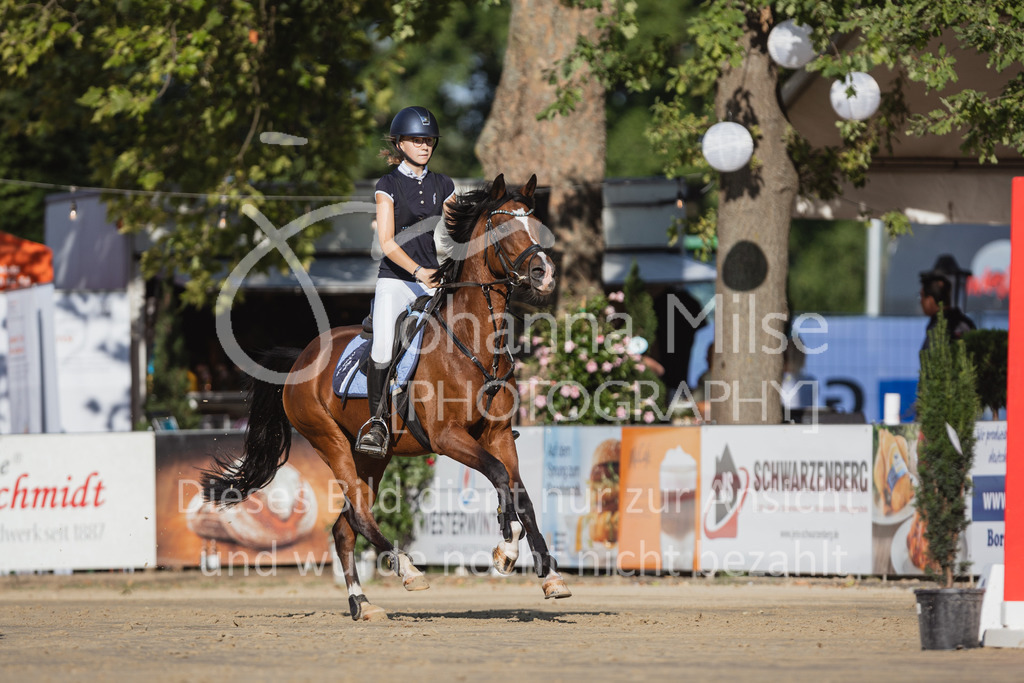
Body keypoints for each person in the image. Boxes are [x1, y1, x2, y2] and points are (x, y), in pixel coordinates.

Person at [355, 106, 456, 457]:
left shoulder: (445, 184)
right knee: (383, 345)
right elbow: (386, 242)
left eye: (428, 141)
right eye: (417, 140)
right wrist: (417, 272)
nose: (425, 146)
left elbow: (455, 231)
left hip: (435, 279)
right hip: (397, 280)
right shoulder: (389, 184)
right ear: (400, 144)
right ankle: (377, 424)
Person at [919, 271, 975, 352]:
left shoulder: (938, 329)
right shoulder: (966, 323)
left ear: (930, 300)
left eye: (921, 296)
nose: (921, 301)